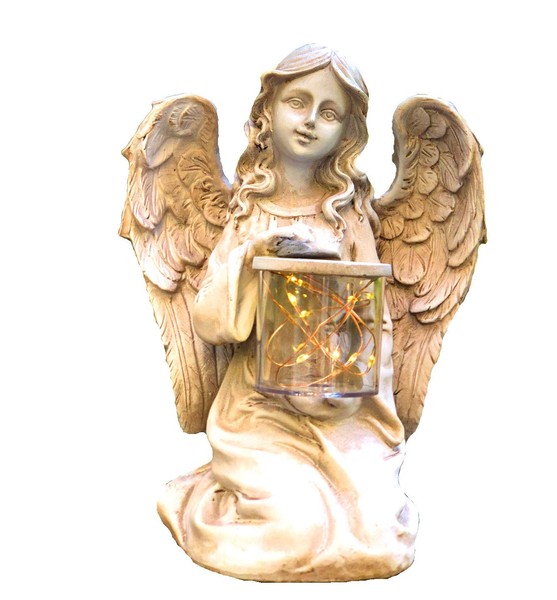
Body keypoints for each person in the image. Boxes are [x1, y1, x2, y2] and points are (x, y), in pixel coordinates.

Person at [157, 44, 418, 582]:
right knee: (295, 530)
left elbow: (377, 321)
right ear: (268, 110)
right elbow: (209, 323)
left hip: (343, 409)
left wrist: (345, 386)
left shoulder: (349, 216)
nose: (310, 121)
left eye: (329, 112)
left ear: (346, 132)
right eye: (298, 102)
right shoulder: (249, 210)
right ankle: (203, 502)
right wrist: (255, 258)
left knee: (379, 537)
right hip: (259, 410)